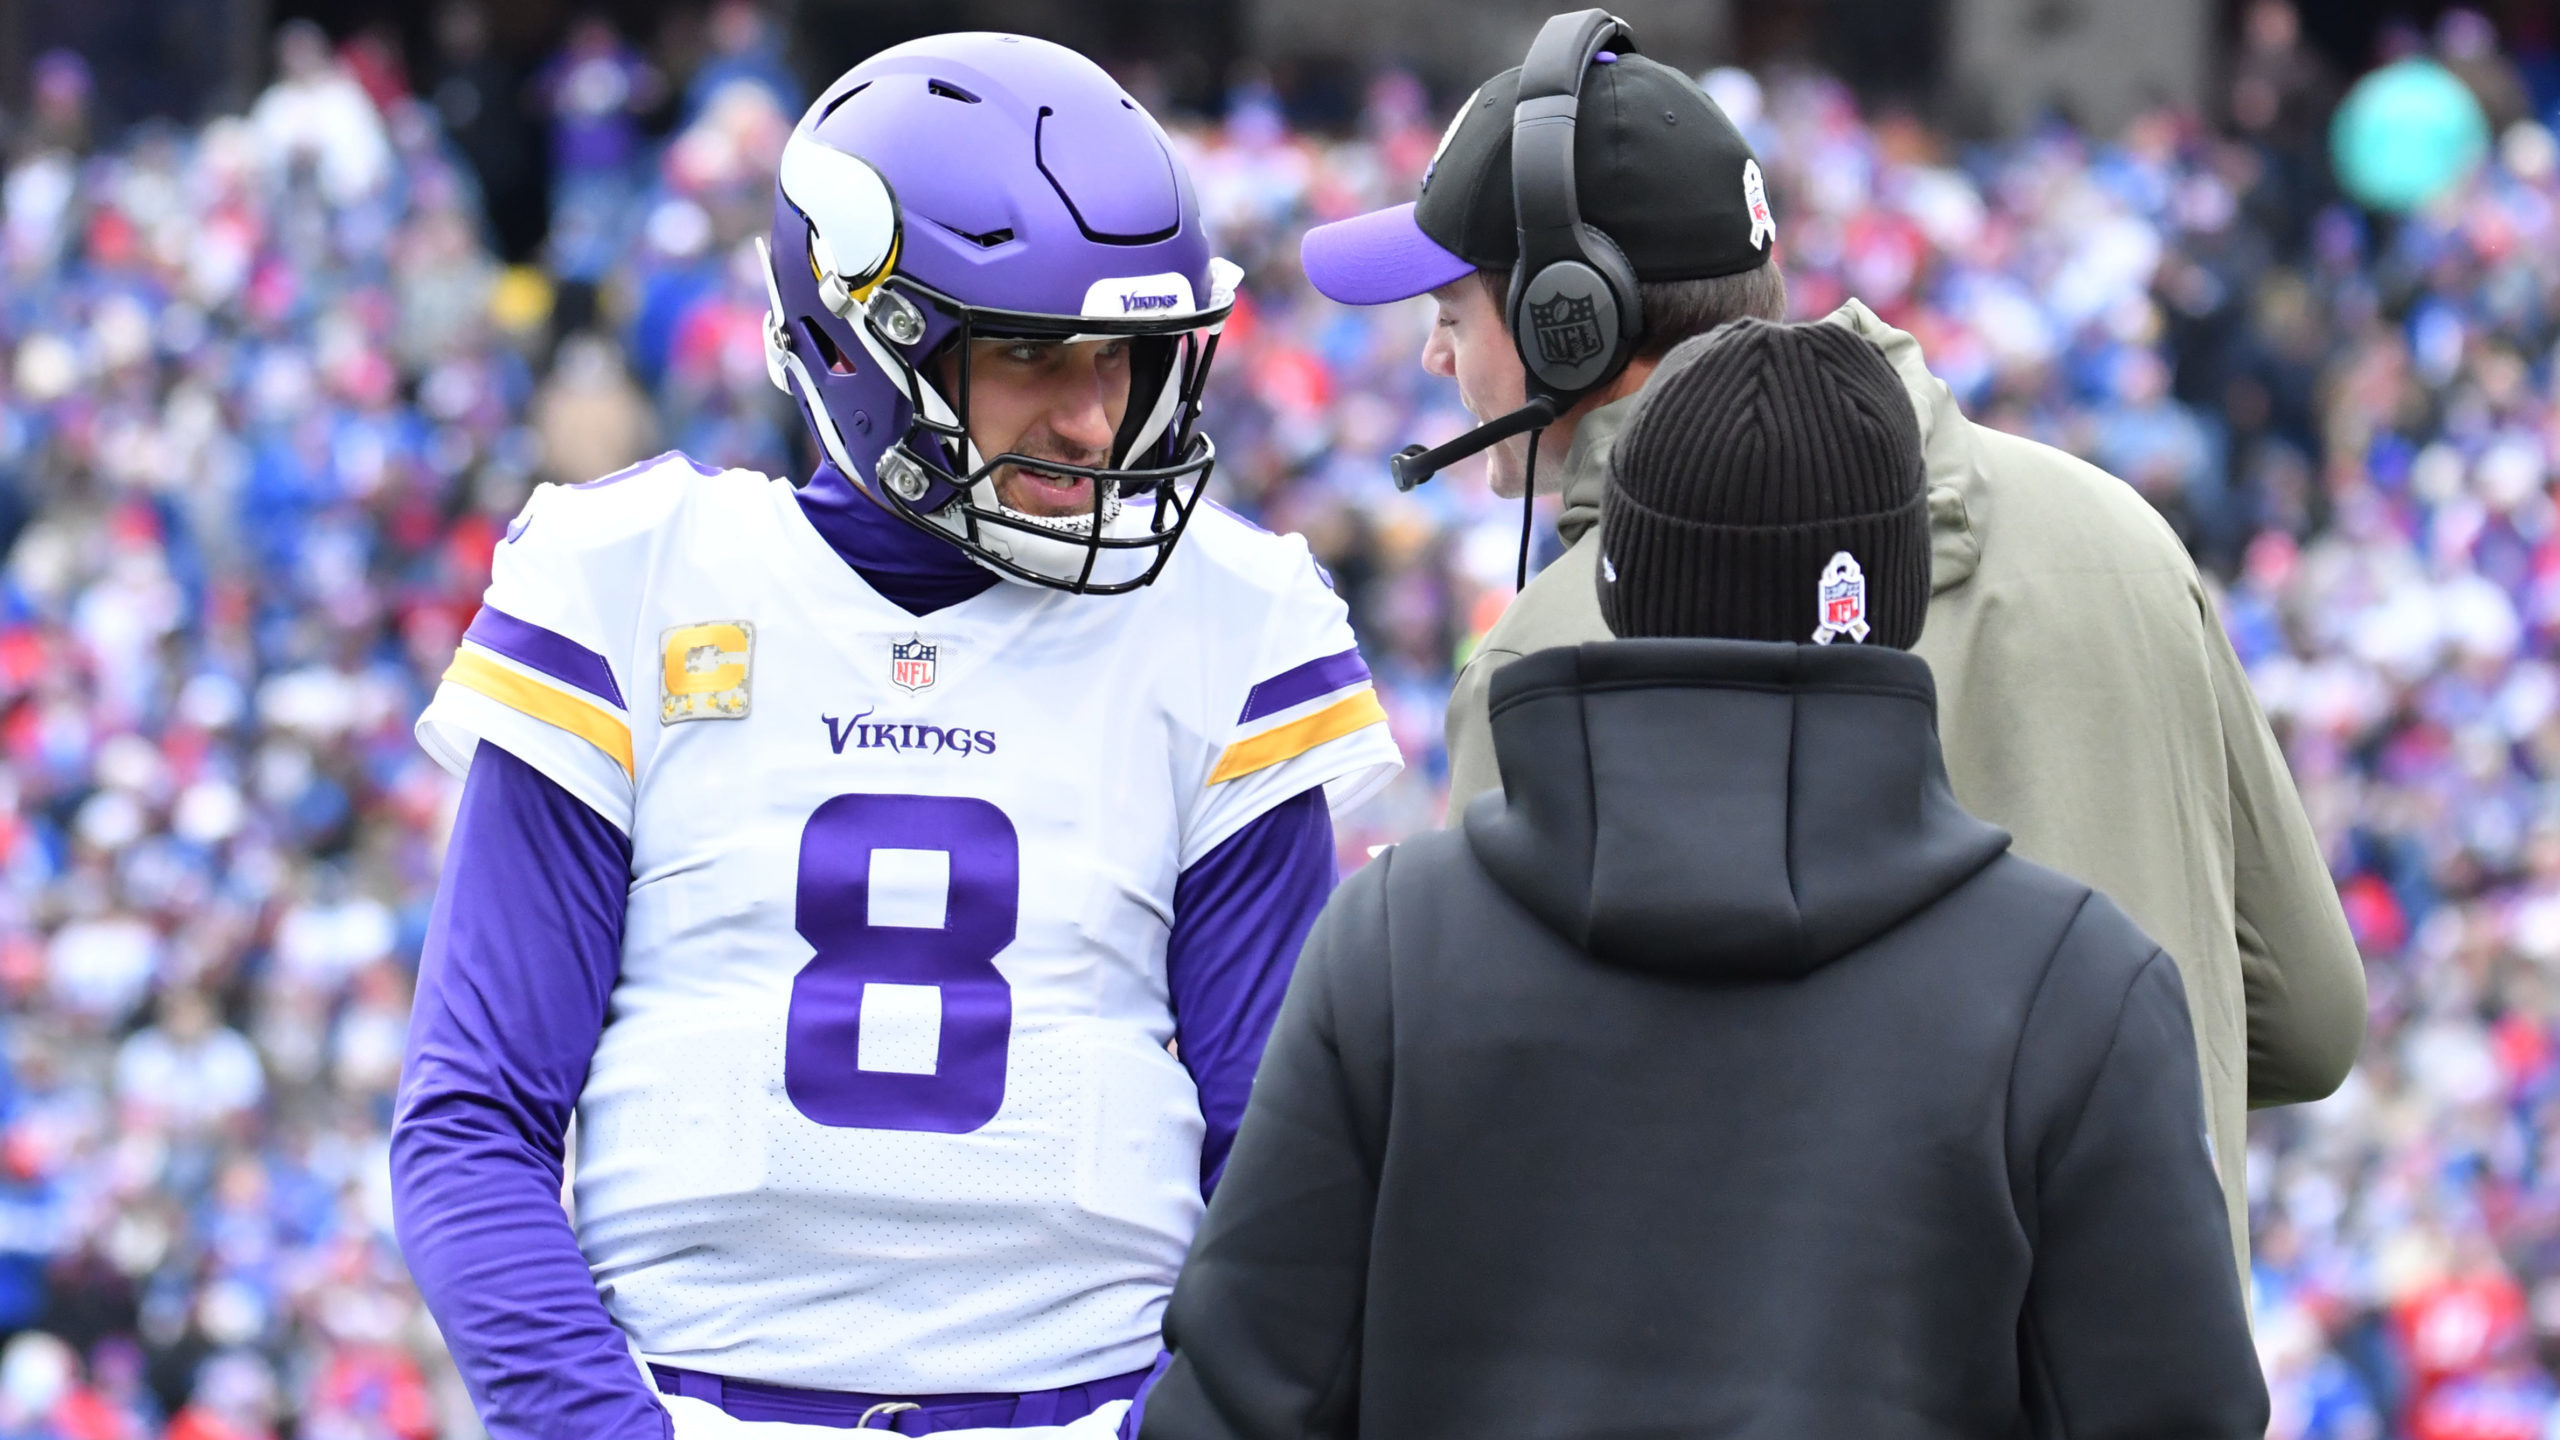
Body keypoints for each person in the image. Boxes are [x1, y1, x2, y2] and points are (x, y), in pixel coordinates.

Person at [392, 34, 1401, 1440]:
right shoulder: (628, 579)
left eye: (1125, 356)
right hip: (687, 1402)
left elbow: (1281, 1171)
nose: (1098, 415)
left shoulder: (1230, 620)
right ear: (865, 340)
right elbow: (472, 1126)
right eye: (1035, 353)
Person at [1296, 11, 2365, 1269]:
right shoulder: (2119, 534)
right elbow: (2309, 1019)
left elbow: (1504, 1136)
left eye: (1454, 313)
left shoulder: (1558, 650)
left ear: (1568, 323)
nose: (1430, 352)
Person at [1139, 321, 2269, 1440]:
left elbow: (1236, 1400)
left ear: (1620, 586)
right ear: (1900, 601)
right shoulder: (2075, 983)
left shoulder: (1394, 940)